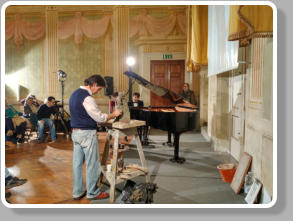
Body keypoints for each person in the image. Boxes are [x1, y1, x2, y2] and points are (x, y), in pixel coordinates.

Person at [69, 74, 121, 200]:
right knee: (92, 164)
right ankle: (92, 193)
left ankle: (77, 192)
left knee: (77, 164)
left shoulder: (74, 94)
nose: (98, 92)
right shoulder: (87, 97)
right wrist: (113, 114)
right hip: (86, 134)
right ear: (94, 85)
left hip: (75, 133)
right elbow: (99, 117)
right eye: (99, 89)